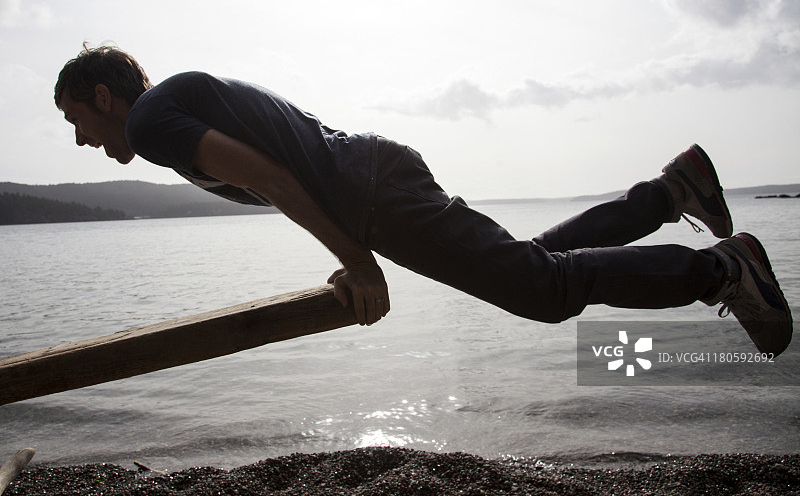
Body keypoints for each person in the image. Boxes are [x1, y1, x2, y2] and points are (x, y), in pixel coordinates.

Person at [54, 45, 793, 356]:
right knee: (538, 269)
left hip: (375, 195)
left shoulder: (151, 120)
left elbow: (277, 181)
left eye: (74, 121)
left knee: (544, 289)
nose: (82, 141)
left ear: (101, 95)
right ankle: (674, 189)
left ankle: (724, 270)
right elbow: (283, 172)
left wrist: (361, 262)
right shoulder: (175, 107)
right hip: (376, 179)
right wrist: (353, 255)